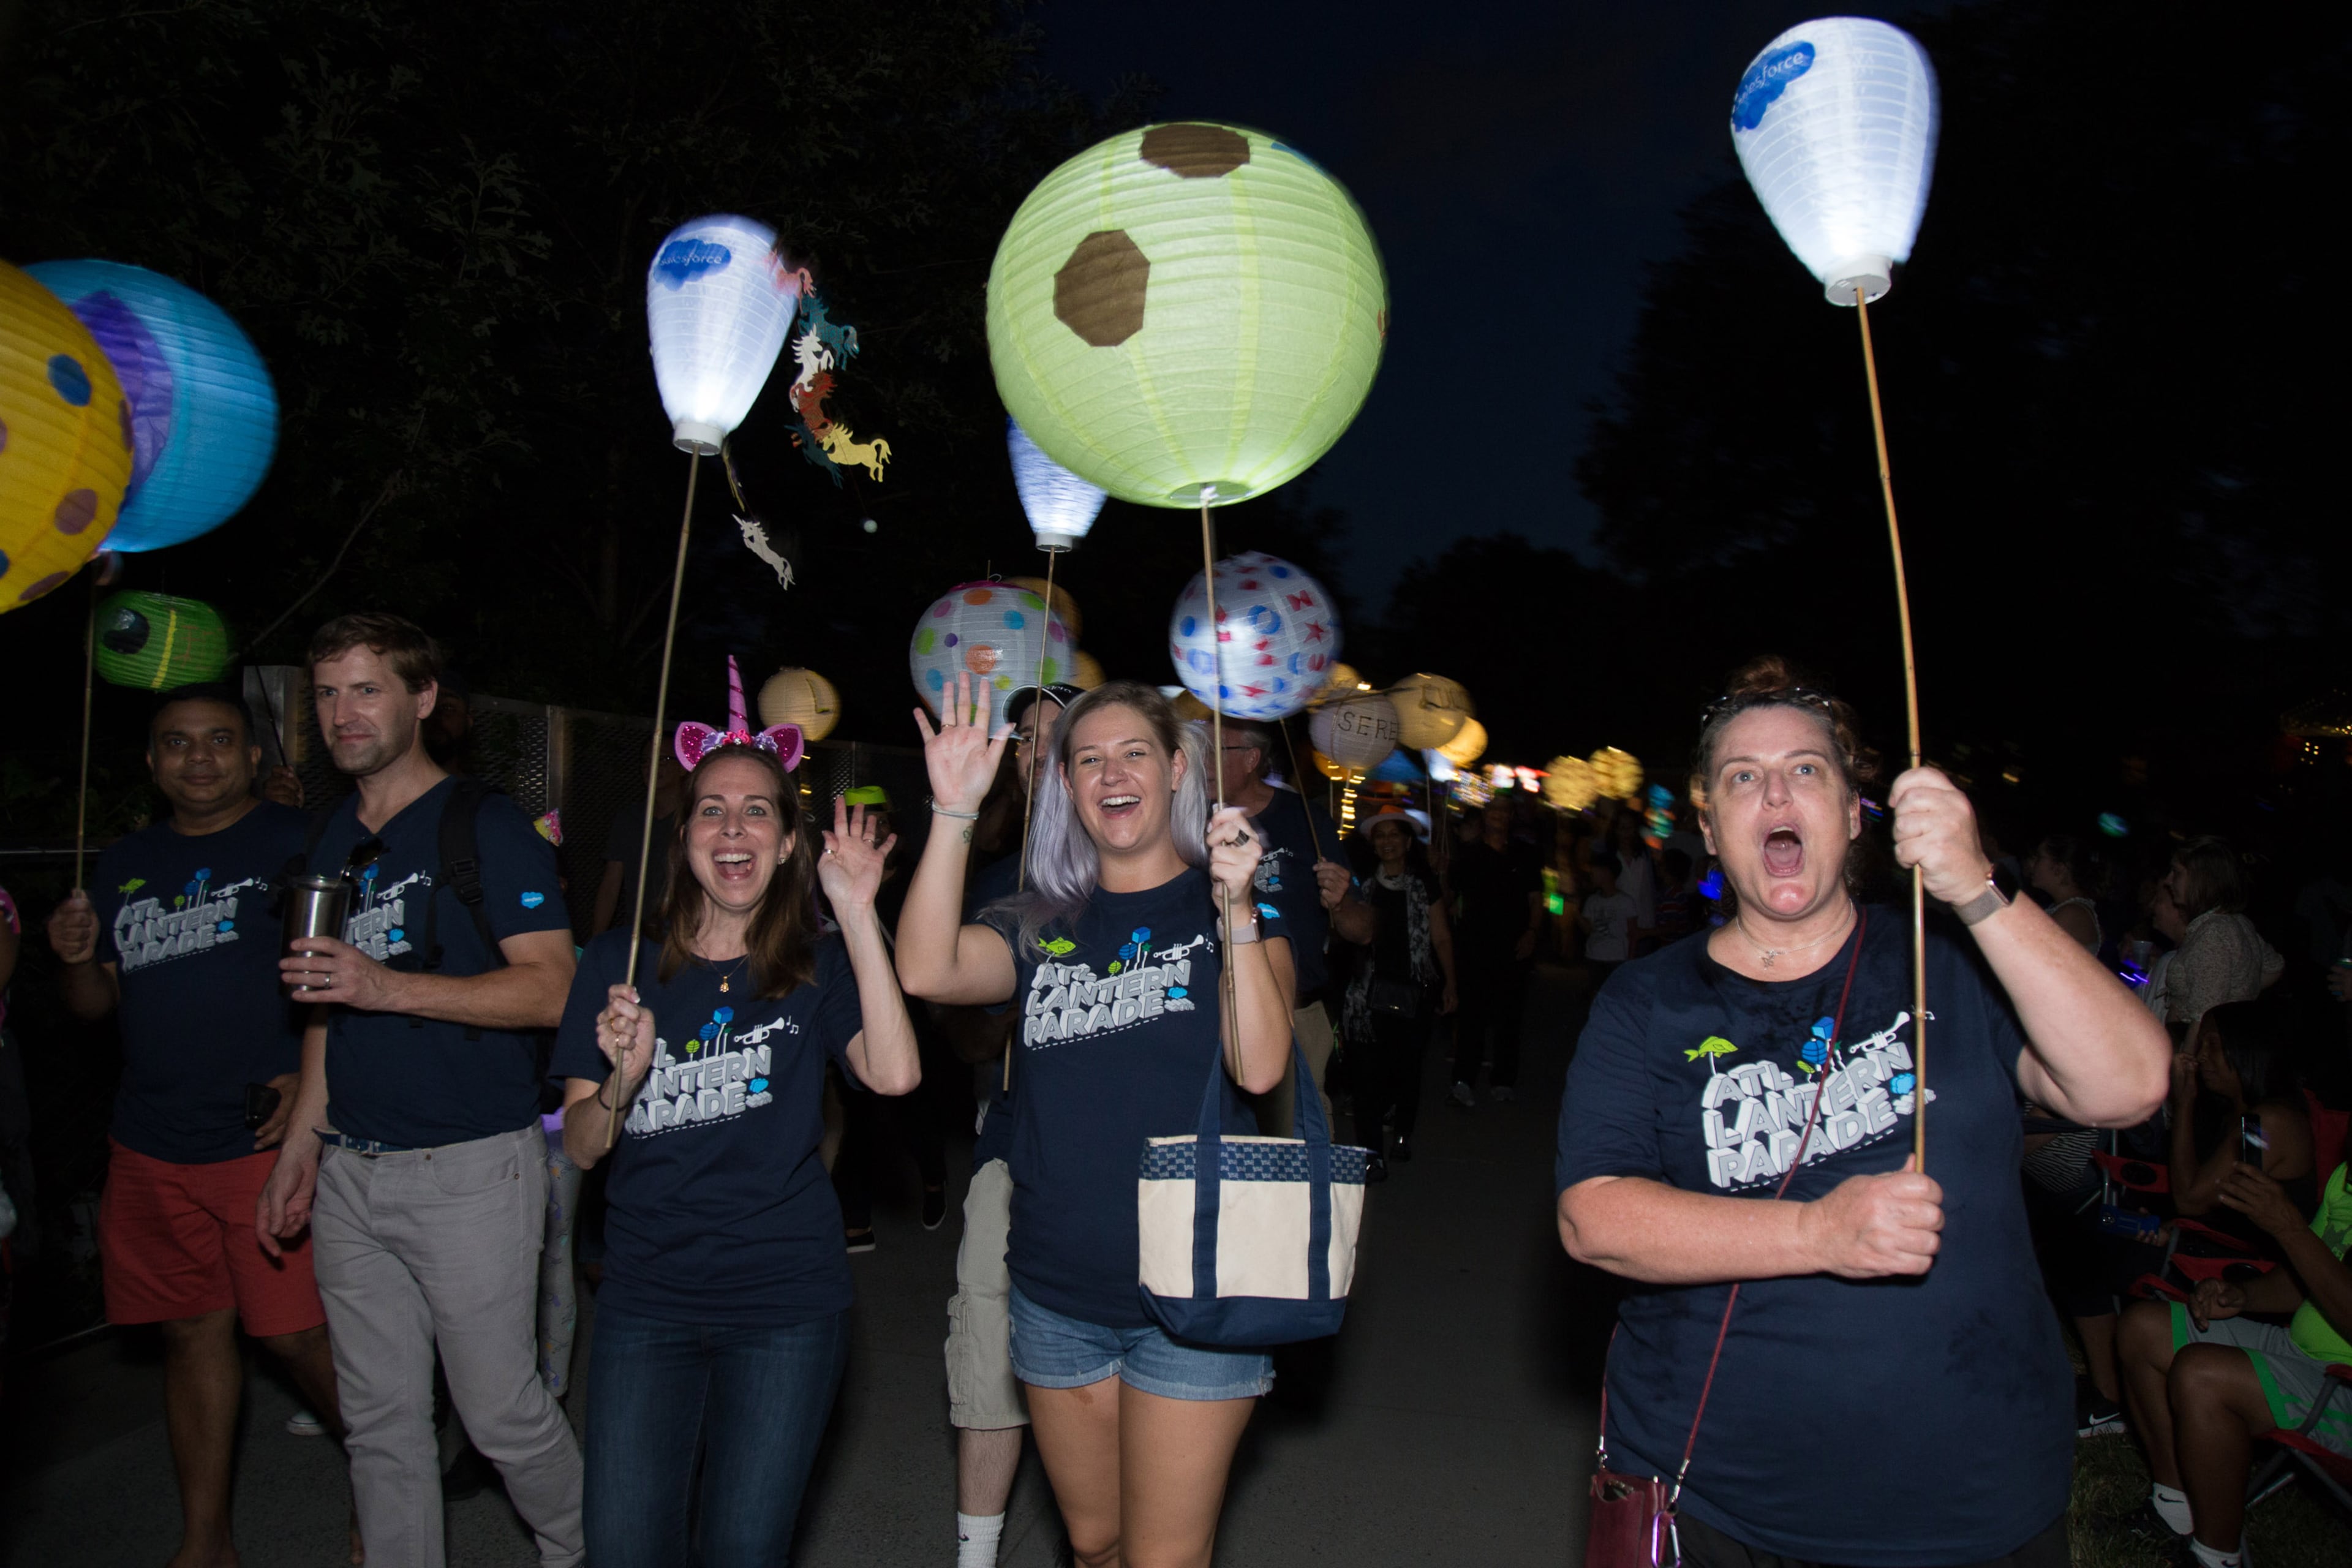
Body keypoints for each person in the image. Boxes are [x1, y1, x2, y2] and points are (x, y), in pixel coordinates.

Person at [1553, 657, 2169, 1566]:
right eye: (1742, 778)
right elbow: (1593, 1216)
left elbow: (2129, 1084)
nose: (1775, 793)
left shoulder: (1953, 958)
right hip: (1721, 1497)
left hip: (1974, 1499)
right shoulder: (1647, 1002)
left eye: (1807, 769)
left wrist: (1978, 889)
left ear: (1852, 814)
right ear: (1712, 828)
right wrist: (1820, 1235)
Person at [897, 676, 1295, 1568]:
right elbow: (926, 970)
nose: (1111, 774)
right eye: (1087, 760)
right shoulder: (1039, 923)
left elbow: (1261, 1066)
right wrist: (954, 813)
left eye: (1133, 754)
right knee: (1094, 1542)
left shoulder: (1228, 908)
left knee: (1162, 1558)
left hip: (1195, 1298)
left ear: (1178, 769)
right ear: (1066, 788)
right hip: (1057, 1294)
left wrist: (1236, 907)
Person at [257, 614, 584, 1568]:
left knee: (502, 1415)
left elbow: (552, 988)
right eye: (326, 693)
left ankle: (587, 1544)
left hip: (470, 1169)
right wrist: (299, 1147)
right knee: (379, 1426)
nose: (343, 714)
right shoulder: (326, 838)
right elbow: (325, 1010)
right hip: (353, 1173)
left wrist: (384, 984)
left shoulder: (484, 825)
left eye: (367, 690)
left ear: (423, 700)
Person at [555, 736, 919, 1568]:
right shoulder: (619, 963)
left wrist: (858, 913)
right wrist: (622, 1078)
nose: (733, 829)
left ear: (789, 842)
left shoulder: (815, 964)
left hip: (785, 1303)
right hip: (648, 1297)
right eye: (712, 810)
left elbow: (895, 1076)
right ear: (684, 838)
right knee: (623, 1546)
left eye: (758, 811)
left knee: (744, 1548)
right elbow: (580, 1146)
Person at [45, 683, 349, 1568]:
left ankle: (390, 1479)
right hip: (149, 1140)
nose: (200, 758)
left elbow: (350, 974)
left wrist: (312, 1077)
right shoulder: (123, 860)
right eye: (177, 744)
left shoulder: (296, 844)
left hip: (259, 1140)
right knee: (191, 1330)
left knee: (295, 1336)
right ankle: (204, 1540)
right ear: (151, 762)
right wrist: (71, 961)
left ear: (255, 757)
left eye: (220, 741)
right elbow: (95, 1003)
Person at [940, 679, 1076, 1568]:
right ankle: (975, 1557)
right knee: (986, 1339)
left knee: (1104, 1363)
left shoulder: (1150, 861)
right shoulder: (996, 873)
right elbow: (962, 1022)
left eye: (1056, 734)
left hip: (1124, 1159)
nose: (1036, 750)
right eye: (1023, 738)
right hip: (1014, 1139)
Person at [2116, 1159, 2352, 1568]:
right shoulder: (2346, 1176)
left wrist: (2289, 1228)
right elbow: (2309, 1276)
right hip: (2297, 1348)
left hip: (2345, 1385)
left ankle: (2216, 1557)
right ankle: (2174, 1506)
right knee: (2144, 1328)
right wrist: (2243, 1297)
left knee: (2201, 1374)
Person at [1214, 717, 1340, 1137]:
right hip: (1214, 1010)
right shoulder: (1189, 821)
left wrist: (1341, 901)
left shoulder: (1306, 819)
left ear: (1251, 758)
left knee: (1296, 1137)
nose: (1206, 762)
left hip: (1299, 1012)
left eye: (1219, 750)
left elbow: (1361, 927)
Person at [1323, 805, 1456, 1178]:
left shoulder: (1423, 884)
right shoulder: (1361, 885)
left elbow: (1441, 936)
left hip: (1414, 993)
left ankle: (1402, 1134)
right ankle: (1371, 1154)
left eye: (1394, 835)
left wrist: (1451, 984)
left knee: (1406, 1069)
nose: (1387, 842)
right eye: (1380, 836)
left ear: (1408, 842)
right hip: (1366, 995)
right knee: (1365, 1075)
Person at [2167, 998, 2314, 1231]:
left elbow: (2190, 1201)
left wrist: (2183, 1103)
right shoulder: (2227, 1111)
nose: (2201, 1056)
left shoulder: (2272, 1121)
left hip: (2250, 1261)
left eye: (2213, 1045)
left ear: (2247, 1048)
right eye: (2201, 1045)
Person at [1449, 797, 1545, 1106]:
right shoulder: (1469, 854)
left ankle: (1504, 1080)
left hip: (1513, 946)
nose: (1499, 816)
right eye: (1494, 810)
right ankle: (1464, 1079)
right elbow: (1450, 894)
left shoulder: (1525, 854)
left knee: (1509, 1016)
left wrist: (1531, 931)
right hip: (1475, 946)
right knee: (1472, 1015)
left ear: (1512, 816)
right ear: (1485, 816)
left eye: (1505, 810)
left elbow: (1536, 898)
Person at [2164, 835, 2285, 1040]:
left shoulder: (2214, 933)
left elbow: (2202, 1017)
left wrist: (2185, 1066)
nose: (2168, 880)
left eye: (2176, 873)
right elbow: (2275, 967)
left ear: (2201, 879)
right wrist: (2239, 991)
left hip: (2198, 1051)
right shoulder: (2236, 922)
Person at [2026, 833, 2103, 953]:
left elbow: (2028, 956)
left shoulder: (2071, 914)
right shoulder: (2066, 908)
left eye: (2039, 858)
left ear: (2059, 868)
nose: (2032, 864)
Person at [1576, 847, 1635, 978]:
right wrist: (1575, 912)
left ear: (1607, 873)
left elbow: (1633, 933)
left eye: (1594, 870)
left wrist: (1630, 959)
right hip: (1594, 956)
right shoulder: (1592, 900)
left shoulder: (1626, 901)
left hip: (1617, 958)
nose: (1591, 873)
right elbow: (1588, 930)